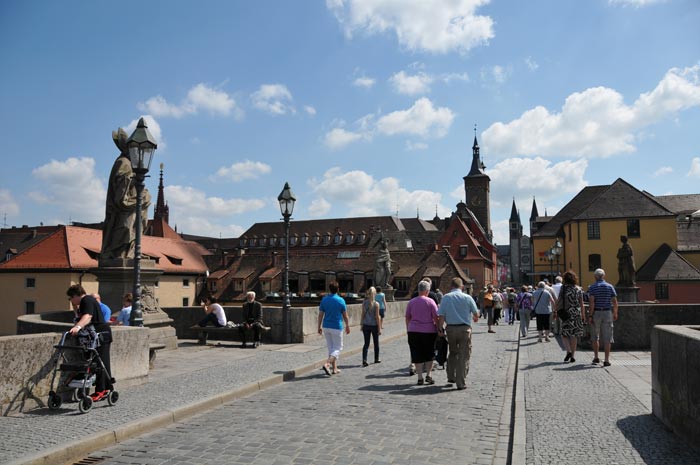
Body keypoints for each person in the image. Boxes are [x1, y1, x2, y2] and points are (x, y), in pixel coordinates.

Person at [101, 127, 151, 260]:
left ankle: (132, 250)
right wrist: (142, 199)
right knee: (125, 228)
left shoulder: (129, 163)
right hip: (124, 210)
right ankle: (122, 252)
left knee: (134, 228)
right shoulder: (123, 163)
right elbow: (121, 199)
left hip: (130, 207)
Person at [67, 284, 113, 401]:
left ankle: (102, 390)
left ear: (76, 295)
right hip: (97, 335)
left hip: (101, 334)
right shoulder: (87, 301)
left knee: (101, 362)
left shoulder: (86, 300)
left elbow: (87, 316)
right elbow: (80, 316)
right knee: (96, 362)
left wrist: (77, 327)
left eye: (70, 298)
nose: (70, 301)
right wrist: (75, 307)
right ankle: (103, 388)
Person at [437, 277, 480, 391]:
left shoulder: (446, 297)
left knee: (452, 352)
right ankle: (460, 382)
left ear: (451, 286)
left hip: (450, 329)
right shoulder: (467, 297)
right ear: (462, 287)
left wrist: (440, 329)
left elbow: (441, 315)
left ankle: (451, 376)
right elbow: (476, 315)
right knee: (463, 355)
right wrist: (475, 318)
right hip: (464, 330)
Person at [405, 280, 439, 385]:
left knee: (416, 354)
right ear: (427, 291)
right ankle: (428, 375)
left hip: (413, 331)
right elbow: (436, 317)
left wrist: (408, 329)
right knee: (429, 353)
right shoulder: (430, 301)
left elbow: (407, 317)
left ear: (419, 290)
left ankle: (420, 377)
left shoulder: (411, 302)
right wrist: (438, 328)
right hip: (429, 331)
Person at [587, 268, 618, 367]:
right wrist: (615, 313)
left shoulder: (592, 287)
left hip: (596, 312)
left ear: (595, 276)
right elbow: (614, 302)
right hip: (607, 312)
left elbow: (592, 302)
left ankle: (596, 357)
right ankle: (606, 360)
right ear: (603, 276)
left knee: (595, 336)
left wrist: (590, 315)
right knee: (607, 337)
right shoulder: (610, 286)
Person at [318, 281, 350, 375]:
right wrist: (347, 325)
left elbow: (320, 315)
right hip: (336, 326)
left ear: (329, 289)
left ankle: (334, 368)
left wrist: (318, 326)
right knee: (338, 348)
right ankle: (327, 364)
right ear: (338, 289)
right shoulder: (340, 300)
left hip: (326, 326)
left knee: (331, 348)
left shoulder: (324, 300)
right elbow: (345, 316)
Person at [555, 271, 585, 363]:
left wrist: (555, 311)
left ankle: (568, 351)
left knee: (564, 334)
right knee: (574, 335)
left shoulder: (563, 288)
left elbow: (559, 300)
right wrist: (583, 315)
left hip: (566, 314)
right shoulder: (578, 289)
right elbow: (582, 303)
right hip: (576, 313)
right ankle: (573, 356)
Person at [361, 286, 382, 366]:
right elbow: (377, 317)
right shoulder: (376, 304)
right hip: (374, 325)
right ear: (375, 294)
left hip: (366, 325)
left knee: (366, 343)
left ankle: (364, 359)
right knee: (376, 343)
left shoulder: (364, 303)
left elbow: (362, 314)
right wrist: (379, 328)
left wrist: (361, 324)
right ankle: (376, 358)